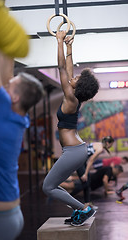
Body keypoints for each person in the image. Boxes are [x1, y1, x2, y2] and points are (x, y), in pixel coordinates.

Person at [42, 31, 99, 227]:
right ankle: (79, 211)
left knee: (47, 187)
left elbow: (61, 69)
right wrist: (69, 47)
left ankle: (84, 208)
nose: (72, 78)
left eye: (76, 79)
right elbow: (68, 68)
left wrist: (58, 41)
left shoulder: (71, 98)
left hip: (74, 152)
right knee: (53, 185)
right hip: (76, 150)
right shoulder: (75, 97)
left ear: (78, 86)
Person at [0, 49, 44, 240]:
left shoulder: (2, 109)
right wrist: (8, 44)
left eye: (9, 87)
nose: (5, 86)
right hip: (10, 213)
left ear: (15, 98)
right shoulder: (18, 116)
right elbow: (7, 74)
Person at [75, 136, 114, 204]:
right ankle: (70, 198)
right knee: (85, 183)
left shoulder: (98, 144)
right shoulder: (100, 149)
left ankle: (88, 203)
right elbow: (91, 160)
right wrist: (85, 174)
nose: (111, 146)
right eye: (111, 144)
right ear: (107, 143)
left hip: (81, 160)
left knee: (88, 181)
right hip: (79, 161)